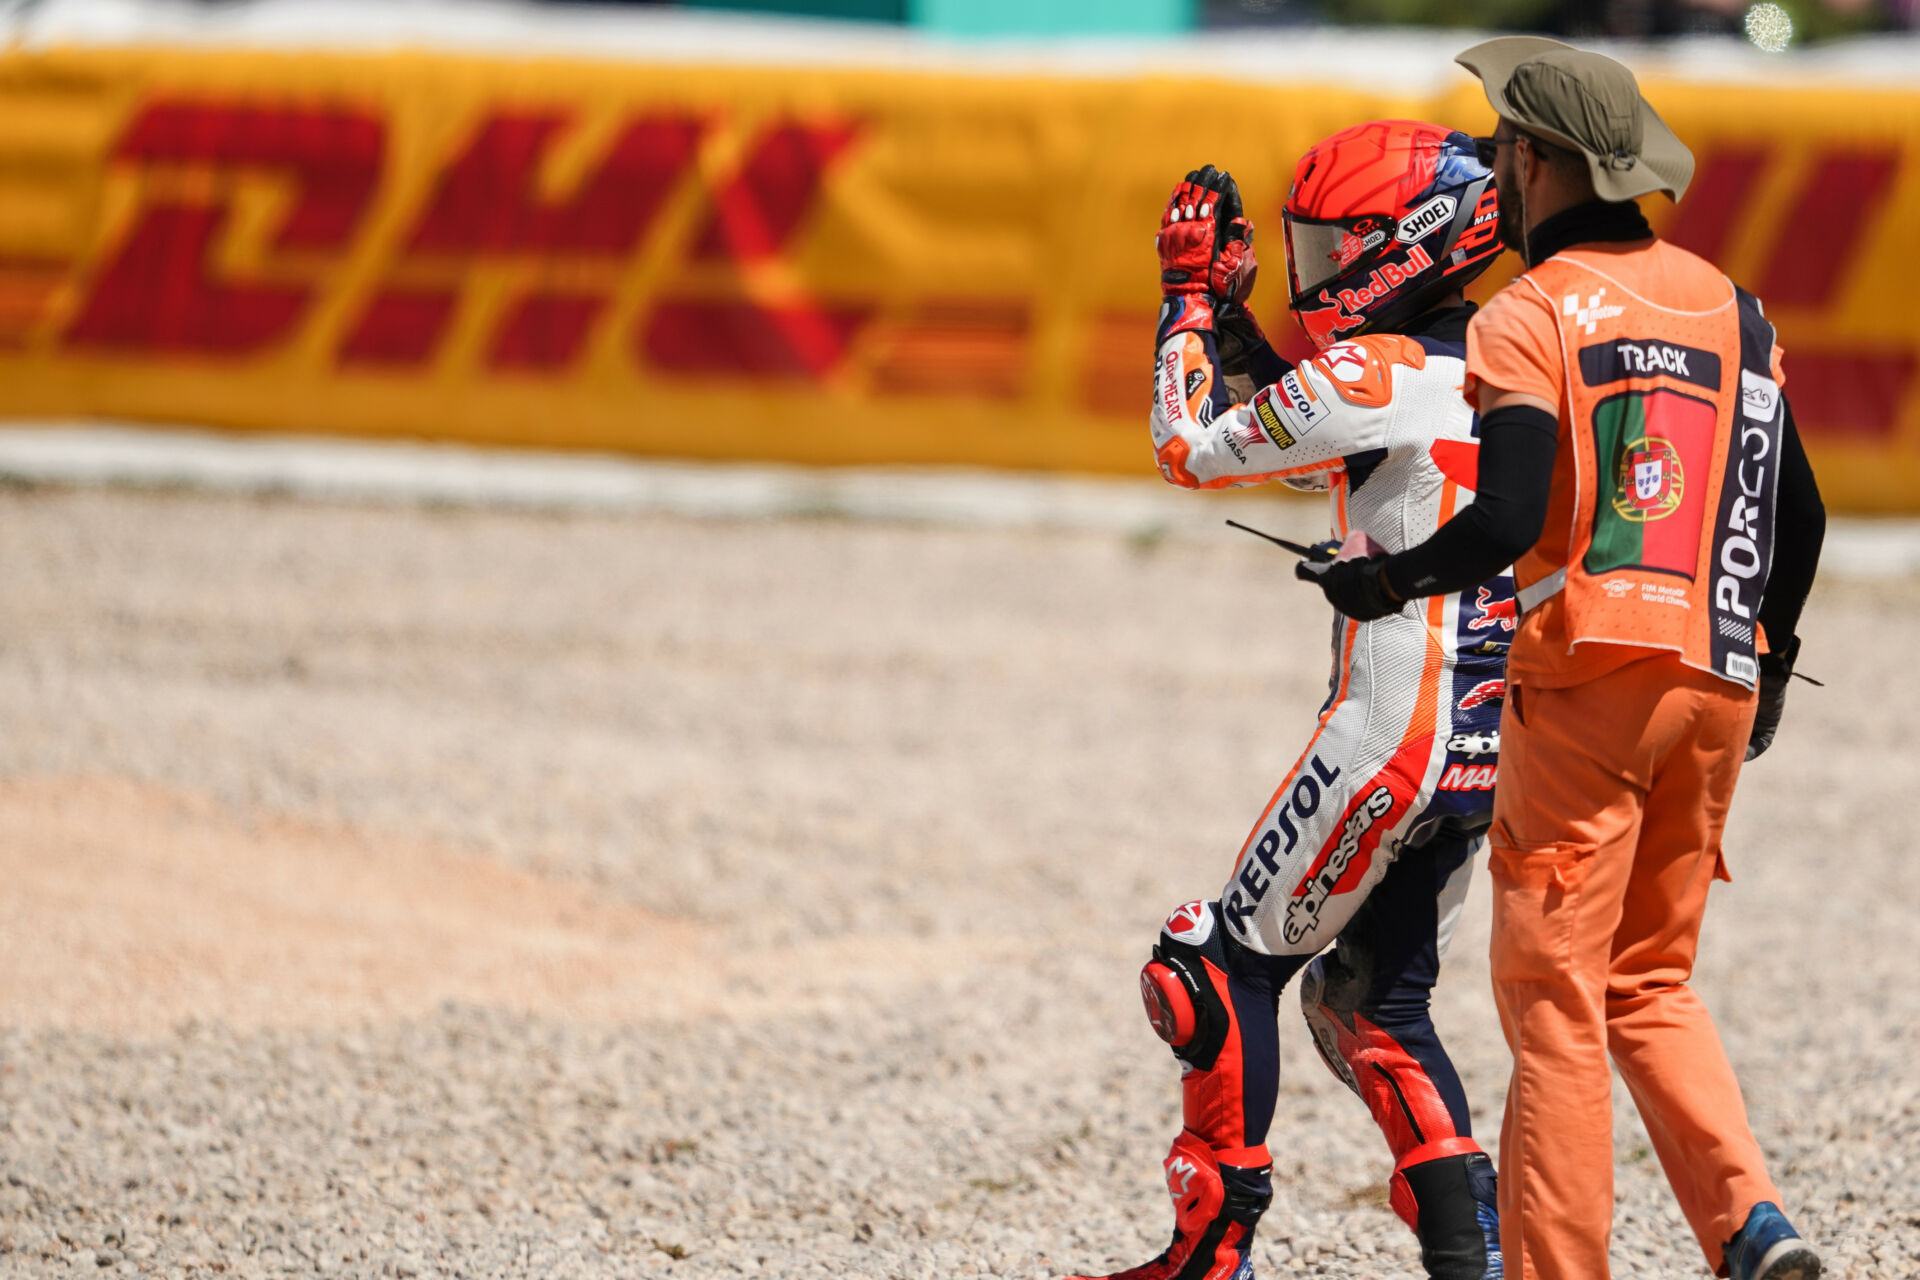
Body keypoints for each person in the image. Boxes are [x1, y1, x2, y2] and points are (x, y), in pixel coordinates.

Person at [1295, 39, 1827, 1280]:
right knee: (1649, 979)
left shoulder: (1530, 315)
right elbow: (1794, 511)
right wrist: (1773, 655)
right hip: (1717, 673)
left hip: (1587, 673)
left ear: (1537, 162)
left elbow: (1505, 508)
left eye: (1501, 148)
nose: (1495, 165)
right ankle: (1750, 1221)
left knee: (1553, 1007)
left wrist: (1385, 579)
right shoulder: (1733, 303)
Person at [1065, 120, 1514, 1280]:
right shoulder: (1501, 360)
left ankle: (1209, 1257)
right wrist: (1237, 321)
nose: (1316, 272)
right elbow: (1307, 418)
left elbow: (1190, 445)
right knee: (1372, 1007)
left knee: (1212, 968)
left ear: (1404, 242)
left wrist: (1182, 300)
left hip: (1390, 721)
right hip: (1483, 743)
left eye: (1332, 247)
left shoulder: (1379, 371)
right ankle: (1476, 1260)